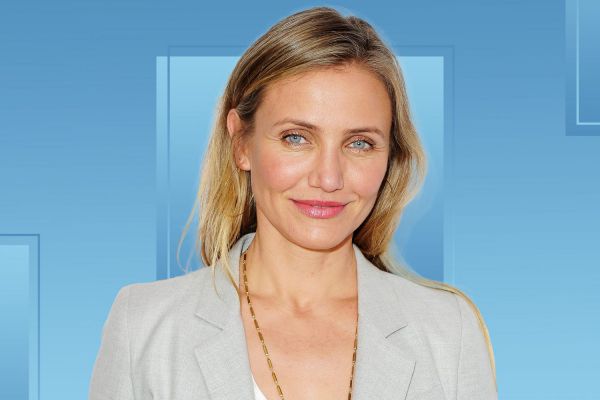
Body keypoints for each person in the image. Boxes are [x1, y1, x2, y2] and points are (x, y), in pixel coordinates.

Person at [89, 6, 497, 400]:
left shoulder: (449, 331)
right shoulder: (144, 326)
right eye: (296, 138)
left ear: (390, 156)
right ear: (241, 143)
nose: (328, 178)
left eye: (359, 143)